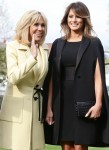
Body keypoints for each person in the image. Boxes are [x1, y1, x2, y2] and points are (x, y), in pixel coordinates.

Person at [44, 1, 109, 150]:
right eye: (71, 16)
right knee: (66, 146)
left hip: (84, 101)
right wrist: (49, 107)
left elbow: (98, 77)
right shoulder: (58, 44)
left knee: (80, 146)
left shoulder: (94, 43)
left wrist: (98, 104)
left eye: (78, 16)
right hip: (62, 101)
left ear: (84, 19)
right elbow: (52, 79)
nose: (74, 20)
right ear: (66, 19)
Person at [0, 10, 49, 150]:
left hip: (37, 111)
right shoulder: (12, 47)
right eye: (36, 25)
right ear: (26, 26)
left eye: (43, 25)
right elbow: (13, 77)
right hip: (17, 114)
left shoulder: (44, 49)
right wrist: (31, 58)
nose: (40, 29)